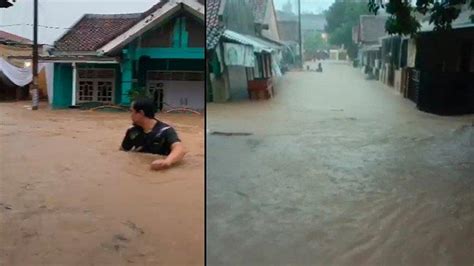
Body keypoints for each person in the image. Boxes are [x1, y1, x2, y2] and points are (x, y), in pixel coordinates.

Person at [120, 98, 186, 170]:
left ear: (141, 113)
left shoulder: (165, 131)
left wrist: (167, 162)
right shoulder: (132, 131)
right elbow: (122, 152)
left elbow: (180, 149)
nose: (130, 115)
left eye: (131, 111)